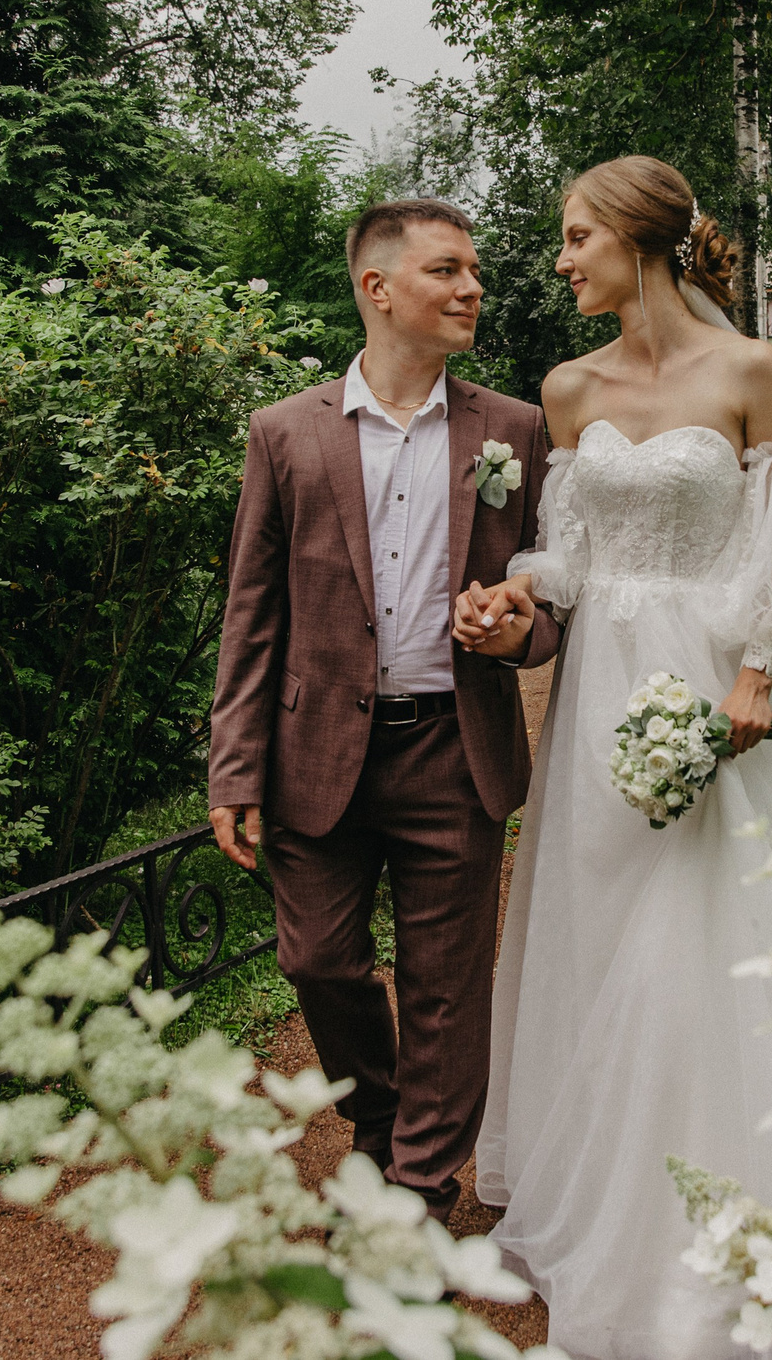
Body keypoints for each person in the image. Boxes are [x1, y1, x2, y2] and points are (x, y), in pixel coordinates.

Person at [453, 156, 772, 1360]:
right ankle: (602, 1175)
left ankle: (736, 1188)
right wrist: (507, 599)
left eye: (576, 237)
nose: (561, 259)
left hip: (718, 676)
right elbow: (567, 558)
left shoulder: (748, 370)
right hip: (597, 697)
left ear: (641, 242)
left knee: (714, 920)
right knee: (608, 915)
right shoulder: (567, 386)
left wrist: (751, 674)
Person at [207, 196, 559, 1220]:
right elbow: (251, 611)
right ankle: (380, 1109)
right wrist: (234, 765)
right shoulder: (285, 433)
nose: (471, 288)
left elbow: (551, 599)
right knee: (316, 958)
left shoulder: (515, 430)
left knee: (450, 987)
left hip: (456, 747)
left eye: (473, 271)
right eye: (447, 270)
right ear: (378, 288)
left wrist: (516, 632)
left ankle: (417, 1187)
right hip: (315, 753)